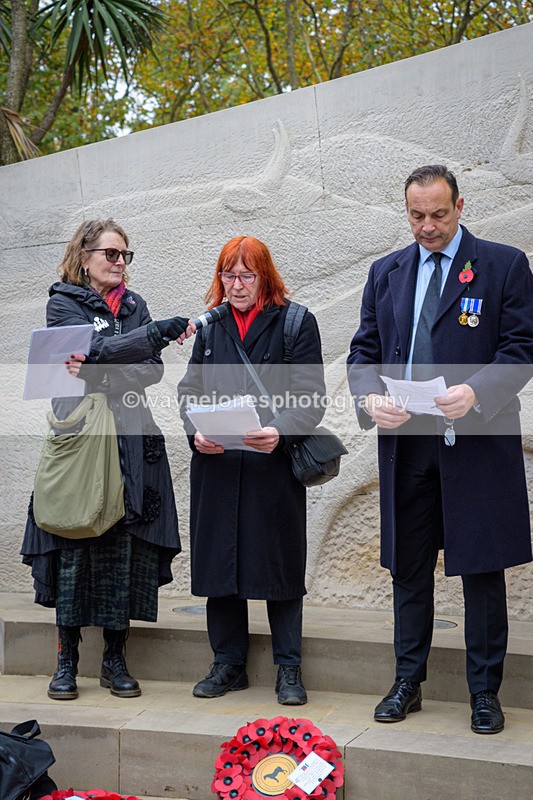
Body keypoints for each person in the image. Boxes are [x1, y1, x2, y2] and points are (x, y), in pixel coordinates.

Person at [347, 165, 533, 734]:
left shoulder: (503, 265)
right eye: (416, 215)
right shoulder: (386, 272)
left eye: (438, 214)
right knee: (409, 566)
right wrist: (370, 397)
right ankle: (407, 681)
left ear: (459, 207)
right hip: (407, 443)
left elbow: (521, 347)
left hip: (476, 441)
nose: (427, 226)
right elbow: (363, 353)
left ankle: (485, 693)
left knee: (481, 568)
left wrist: (476, 391)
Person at [22, 218, 193, 700]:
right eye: (111, 254)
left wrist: (101, 370)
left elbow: (151, 370)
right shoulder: (63, 303)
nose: (120, 262)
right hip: (82, 442)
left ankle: (114, 660)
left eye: (125, 255)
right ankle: (66, 661)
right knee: (73, 546)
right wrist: (147, 339)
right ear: (84, 257)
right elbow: (91, 350)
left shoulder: (135, 306)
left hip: (133, 441)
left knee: (123, 547)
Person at [177, 235, 326, 705]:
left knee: (279, 566)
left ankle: (289, 668)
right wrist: (195, 433)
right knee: (219, 564)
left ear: (265, 277)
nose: (236, 285)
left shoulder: (295, 322)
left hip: (271, 467)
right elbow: (188, 392)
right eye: (228, 275)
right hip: (217, 466)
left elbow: (312, 399)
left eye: (246, 275)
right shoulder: (211, 326)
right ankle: (227, 664)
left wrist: (280, 430)